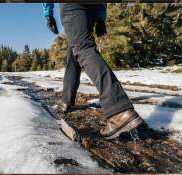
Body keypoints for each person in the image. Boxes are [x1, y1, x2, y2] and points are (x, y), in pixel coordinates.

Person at [42, 3, 144, 140]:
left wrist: (48, 13)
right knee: (75, 49)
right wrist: (101, 17)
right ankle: (67, 100)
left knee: (82, 48)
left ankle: (119, 110)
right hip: (93, 7)